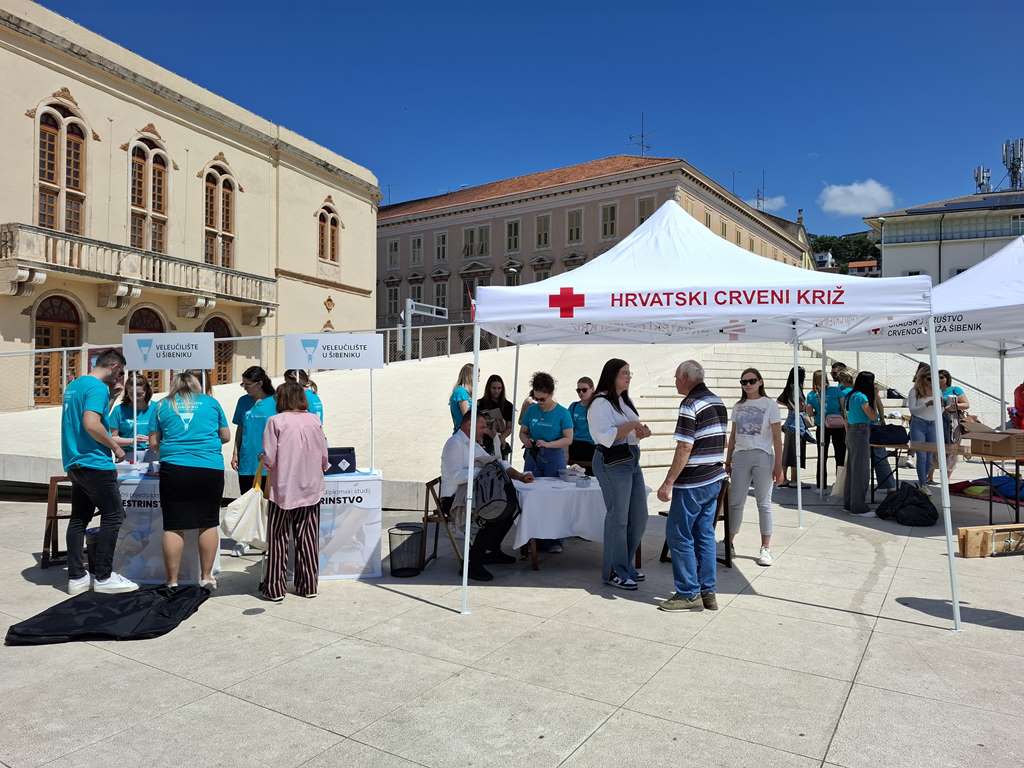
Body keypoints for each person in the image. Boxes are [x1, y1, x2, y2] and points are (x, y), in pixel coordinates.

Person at [61, 348, 139, 595]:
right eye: (121, 373)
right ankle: (104, 576)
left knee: (79, 519)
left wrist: (114, 397)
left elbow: (94, 418)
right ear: (115, 366)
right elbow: (91, 424)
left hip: (75, 461)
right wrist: (115, 447)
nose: (120, 378)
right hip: (95, 462)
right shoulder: (97, 388)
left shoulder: (75, 386)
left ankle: (76, 577)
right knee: (114, 516)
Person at [657, 360, 728, 612]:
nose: (675, 381)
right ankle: (708, 592)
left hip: (694, 481)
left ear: (686, 378)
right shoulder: (717, 401)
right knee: (705, 534)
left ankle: (688, 593)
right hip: (714, 477)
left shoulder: (690, 404)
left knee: (679, 534)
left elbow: (685, 446)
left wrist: (668, 482)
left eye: (677, 377)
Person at [149, 372, 231, 587]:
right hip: (209, 467)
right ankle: (207, 576)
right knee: (208, 522)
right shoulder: (211, 403)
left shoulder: (161, 405)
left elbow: (154, 442)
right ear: (196, 385)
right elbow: (226, 435)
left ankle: (172, 580)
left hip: (174, 468)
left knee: (174, 525)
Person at [440, 411, 534, 581]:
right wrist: (482, 471)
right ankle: (472, 564)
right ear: (469, 425)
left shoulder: (473, 444)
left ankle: (492, 551)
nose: (485, 431)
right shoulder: (455, 444)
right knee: (493, 513)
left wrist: (519, 476)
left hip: (472, 494)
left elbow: (496, 463)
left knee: (511, 507)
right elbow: (455, 476)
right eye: (482, 427)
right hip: (453, 499)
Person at [260, 382, 329, 601]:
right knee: (308, 538)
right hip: (310, 485)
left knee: (278, 538)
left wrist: (263, 460)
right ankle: (308, 585)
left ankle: (275, 588)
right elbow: (324, 455)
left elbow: (269, 458)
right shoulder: (314, 420)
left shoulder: (275, 421)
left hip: (284, 488)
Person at [588, 360, 652, 590]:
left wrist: (639, 432)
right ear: (612, 375)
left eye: (629, 372)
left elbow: (627, 434)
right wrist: (632, 425)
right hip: (612, 462)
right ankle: (615, 570)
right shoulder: (600, 402)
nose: (629, 376)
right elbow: (604, 436)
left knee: (639, 516)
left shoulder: (623, 400)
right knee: (618, 517)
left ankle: (625, 564)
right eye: (624, 373)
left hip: (630, 457)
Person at [726, 368, 784, 566]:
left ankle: (765, 547)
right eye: (744, 382)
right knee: (735, 502)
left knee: (764, 503)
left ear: (760, 381)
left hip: (763, 456)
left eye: (751, 381)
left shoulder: (770, 405)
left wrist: (779, 466)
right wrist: (728, 460)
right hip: (741, 456)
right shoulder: (738, 406)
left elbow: (777, 437)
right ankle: (729, 542)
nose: (748, 385)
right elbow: (733, 435)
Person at [520, 372, 574, 553]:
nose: (539, 402)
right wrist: (526, 440)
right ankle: (532, 539)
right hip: (533, 457)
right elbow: (523, 431)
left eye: (542, 399)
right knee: (532, 497)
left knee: (553, 499)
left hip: (554, 458)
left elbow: (568, 439)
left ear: (551, 394)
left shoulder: (563, 413)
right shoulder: (532, 410)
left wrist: (548, 444)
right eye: (536, 398)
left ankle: (554, 540)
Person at [232, 366, 276, 493]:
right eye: (243, 384)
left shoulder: (276, 401)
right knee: (247, 501)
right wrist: (235, 453)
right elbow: (240, 428)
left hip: (268, 463)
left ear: (260, 383)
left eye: (248, 384)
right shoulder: (243, 401)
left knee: (267, 502)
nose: (245, 387)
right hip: (247, 461)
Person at [843, 371, 877, 515]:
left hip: (851, 431)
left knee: (852, 469)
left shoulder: (850, 395)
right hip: (860, 431)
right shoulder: (862, 397)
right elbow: (873, 416)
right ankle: (858, 506)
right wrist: (874, 398)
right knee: (861, 471)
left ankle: (849, 502)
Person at [907, 365, 939, 487]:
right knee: (922, 455)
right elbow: (913, 410)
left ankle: (924, 481)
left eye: (933, 378)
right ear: (922, 378)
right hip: (918, 423)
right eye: (928, 378)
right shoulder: (914, 391)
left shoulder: (937, 391)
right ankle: (922, 484)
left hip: (933, 423)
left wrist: (944, 406)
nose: (931, 381)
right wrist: (926, 404)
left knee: (930, 456)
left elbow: (940, 409)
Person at [109, 376, 155, 461]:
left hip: (152, 453)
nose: (135, 397)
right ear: (127, 392)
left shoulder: (157, 408)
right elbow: (111, 438)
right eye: (131, 394)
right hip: (128, 455)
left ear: (147, 391)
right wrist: (132, 440)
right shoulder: (119, 410)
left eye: (139, 394)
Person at [777, 366, 809, 488]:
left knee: (787, 453)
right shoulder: (796, 388)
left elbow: (779, 400)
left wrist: (789, 406)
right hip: (796, 424)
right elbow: (799, 406)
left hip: (789, 423)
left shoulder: (789, 387)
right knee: (796, 453)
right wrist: (804, 407)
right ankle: (794, 480)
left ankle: (783, 478)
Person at [935, 369, 969, 480]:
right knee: (936, 448)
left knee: (952, 449)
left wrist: (953, 406)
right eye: (937, 377)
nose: (939, 379)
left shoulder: (955, 389)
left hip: (953, 421)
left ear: (947, 378)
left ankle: (947, 477)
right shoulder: (934, 390)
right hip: (937, 421)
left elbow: (966, 404)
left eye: (941, 377)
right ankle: (930, 475)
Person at [477, 374, 513, 459]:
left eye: (499, 388)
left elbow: (509, 427)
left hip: (500, 441)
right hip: (482, 442)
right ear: (488, 388)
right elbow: (476, 424)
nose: (496, 391)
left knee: (502, 465)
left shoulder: (508, 405)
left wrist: (502, 437)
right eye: (494, 388)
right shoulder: (480, 403)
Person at [871, 382, 897, 492]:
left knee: (877, 456)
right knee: (880, 456)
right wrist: (882, 419)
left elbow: (879, 406)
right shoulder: (872, 391)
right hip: (875, 424)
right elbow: (880, 406)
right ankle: (889, 485)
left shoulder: (858, 393)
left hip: (866, 425)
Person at [568, 377, 597, 472]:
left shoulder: (598, 406)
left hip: (591, 447)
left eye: (584, 390)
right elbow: (567, 428)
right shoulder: (574, 406)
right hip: (575, 447)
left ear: (592, 389)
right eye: (578, 390)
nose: (581, 393)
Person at [449, 363, 474, 433]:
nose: (478, 380)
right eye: (477, 377)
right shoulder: (461, 392)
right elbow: (467, 416)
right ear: (470, 376)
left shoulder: (464, 393)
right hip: (462, 434)